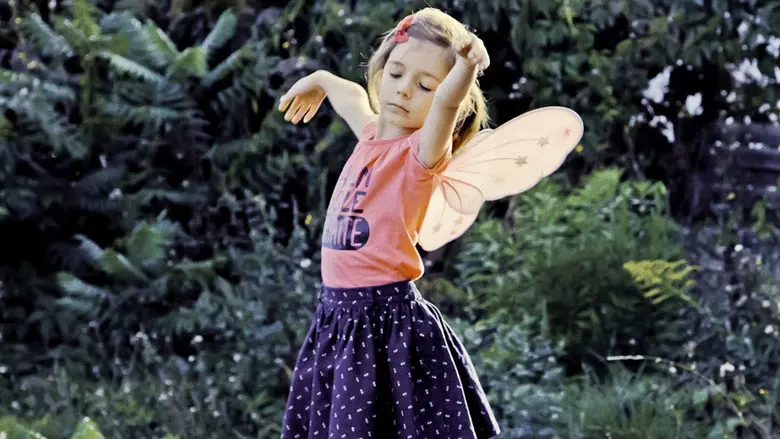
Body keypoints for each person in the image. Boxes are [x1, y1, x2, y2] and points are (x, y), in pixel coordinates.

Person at [277, 7, 501, 439]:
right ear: (381, 69)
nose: (403, 90)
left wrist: (467, 66)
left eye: (425, 86)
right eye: (396, 73)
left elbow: (448, 103)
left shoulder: (421, 154)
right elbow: (351, 96)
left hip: (384, 322)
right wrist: (321, 79)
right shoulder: (370, 135)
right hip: (337, 317)